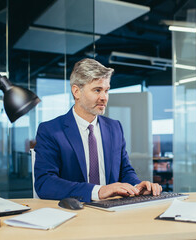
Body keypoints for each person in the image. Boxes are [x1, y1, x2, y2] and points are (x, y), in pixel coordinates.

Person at [34, 58, 162, 202]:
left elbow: (125, 170)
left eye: (106, 90)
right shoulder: (50, 130)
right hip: (74, 212)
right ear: (76, 91)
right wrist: (99, 191)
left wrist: (136, 186)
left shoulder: (115, 128)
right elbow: (45, 183)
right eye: (97, 90)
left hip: (112, 212)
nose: (104, 98)